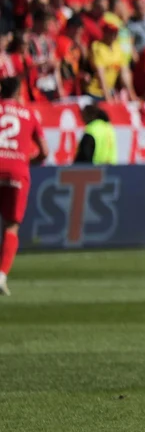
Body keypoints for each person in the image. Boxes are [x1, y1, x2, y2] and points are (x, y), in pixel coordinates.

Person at [0, 77, 49, 296]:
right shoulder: (29, 114)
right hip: (17, 171)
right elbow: (45, 152)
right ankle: (1, 275)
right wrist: (26, 160)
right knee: (11, 226)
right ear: (19, 92)